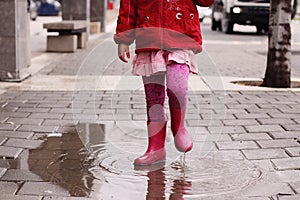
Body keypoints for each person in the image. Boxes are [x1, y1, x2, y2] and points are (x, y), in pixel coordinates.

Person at [114, 0, 215, 166]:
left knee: (178, 86)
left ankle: (179, 127)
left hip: (181, 35)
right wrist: (124, 39)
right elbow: (129, 6)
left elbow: (205, 2)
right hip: (149, 38)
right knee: (153, 99)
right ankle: (156, 148)